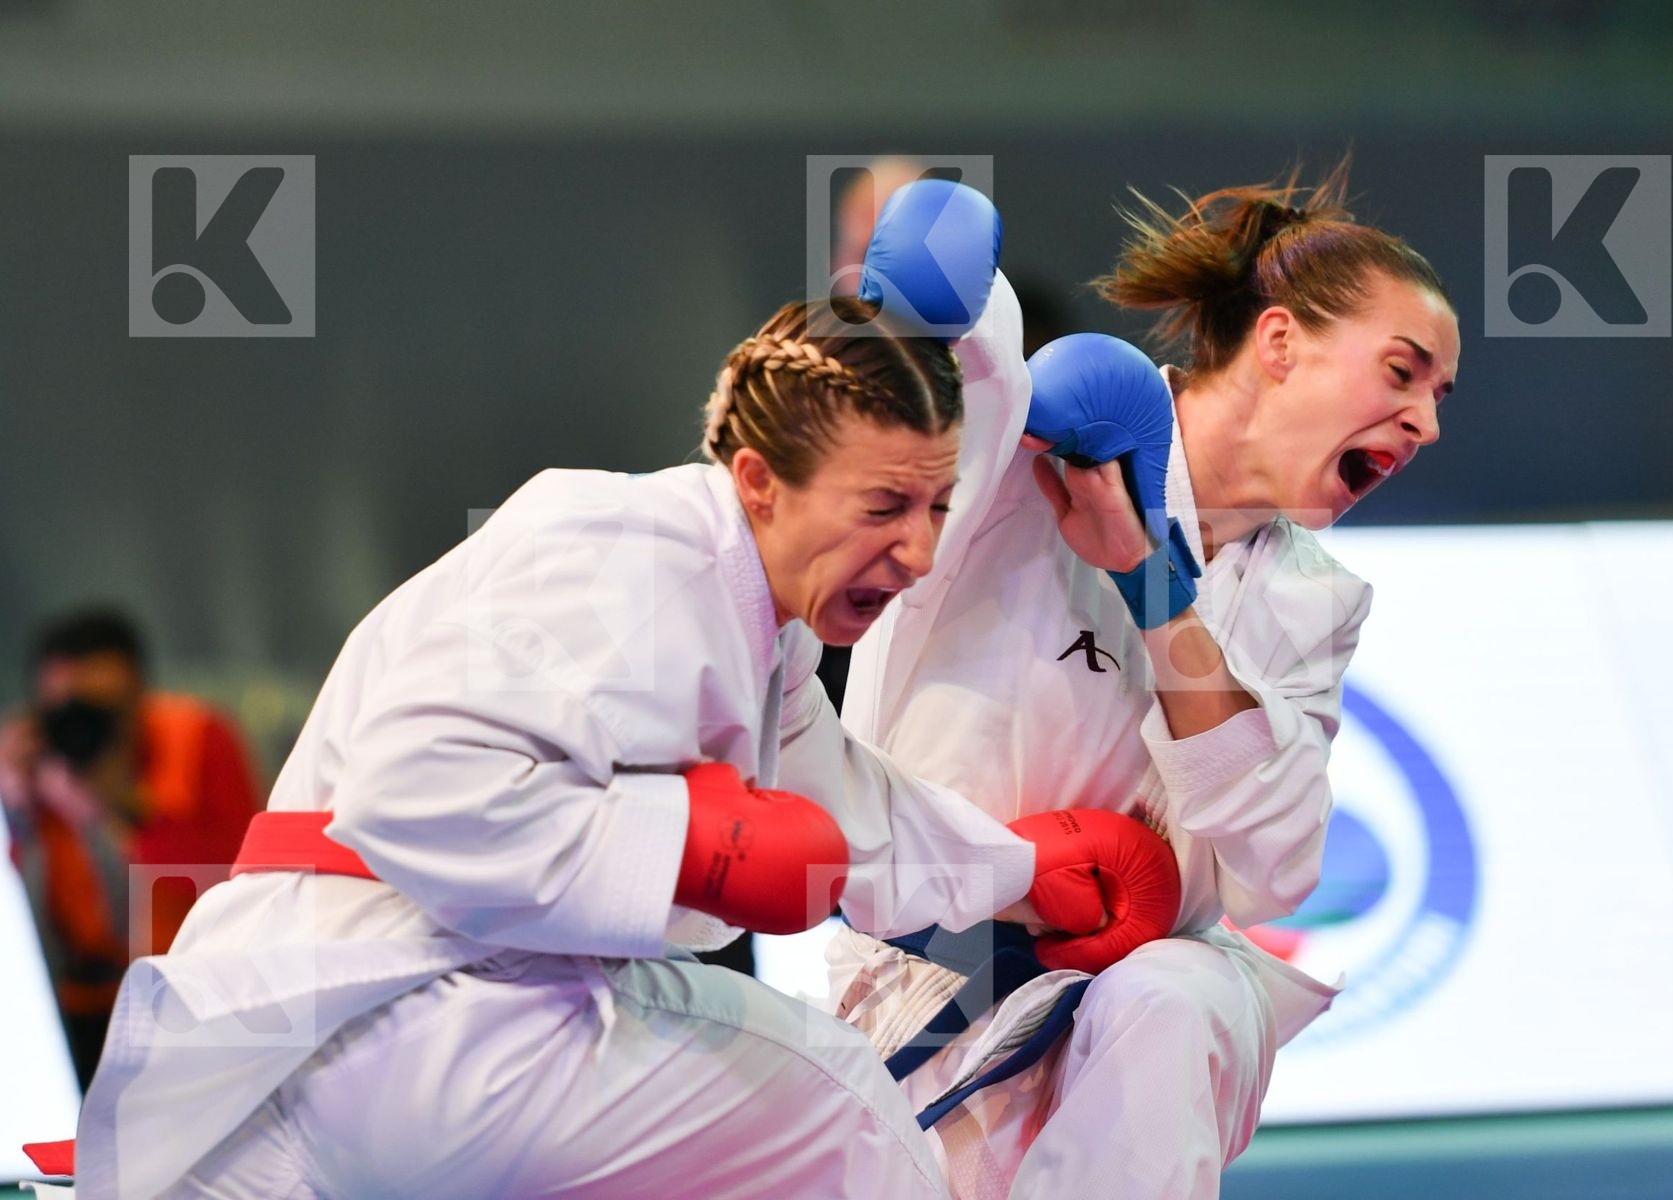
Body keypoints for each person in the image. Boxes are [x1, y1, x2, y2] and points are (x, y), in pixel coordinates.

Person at [33, 181, 1183, 1200]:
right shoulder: (628, 551)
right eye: (885, 508)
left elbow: (848, 819)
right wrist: (690, 841)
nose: (922, 553)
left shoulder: (755, 623)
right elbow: (411, 790)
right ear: (758, 481)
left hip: (372, 1056)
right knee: (842, 1109)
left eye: (937, 509)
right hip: (400, 1016)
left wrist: (1032, 870)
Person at [828, 162, 1462, 1198]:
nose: (1427, 422)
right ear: (1280, 342)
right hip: (923, 985)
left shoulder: (1316, 598)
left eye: (1438, 396)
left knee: (1173, 991)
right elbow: (966, 372)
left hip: (1151, 1024)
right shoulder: (1043, 442)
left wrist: (1159, 590)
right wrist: (931, 285)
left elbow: (1279, 861)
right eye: (1402, 372)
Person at [0, 608, 262, 1085]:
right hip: (71, 1008)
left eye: (104, 711)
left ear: (141, 697)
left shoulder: (197, 740)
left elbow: (241, 881)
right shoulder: (32, 768)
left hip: (183, 1004)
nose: (87, 731)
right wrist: (13, 815)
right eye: (67, 712)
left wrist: (119, 811)